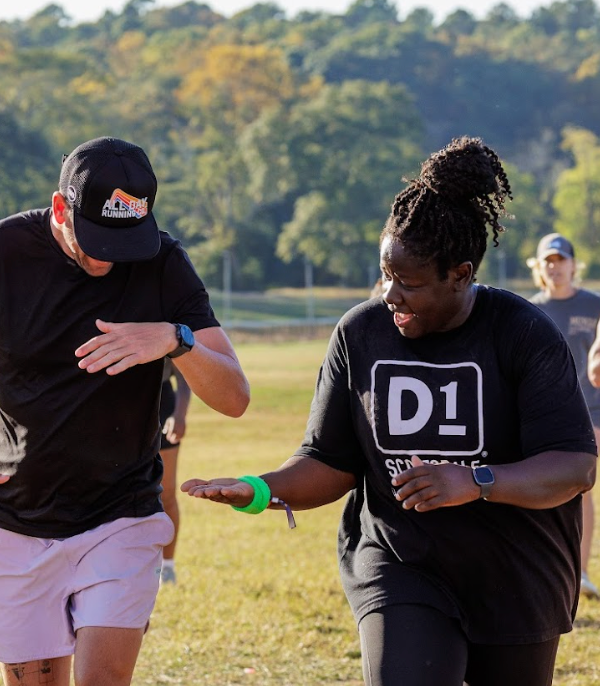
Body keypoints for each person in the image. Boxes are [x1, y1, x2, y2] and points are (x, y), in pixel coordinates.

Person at [182, 137, 597, 686]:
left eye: (410, 282)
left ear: (461, 273)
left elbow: (574, 466)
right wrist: (260, 489)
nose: (392, 295)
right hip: (402, 563)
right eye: (385, 276)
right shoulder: (362, 332)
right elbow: (331, 460)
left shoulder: (522, 333)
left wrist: (476, 480)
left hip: (517, 572)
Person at [0, 136, 250, 686]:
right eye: (96, 239)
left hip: (121, 517)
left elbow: (235, 396)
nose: (109, 257)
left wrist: (176, 340)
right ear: (60, 208)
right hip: (15, 522)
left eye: (125, 240)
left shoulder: (163, 262)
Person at [528, 233, 600, 600]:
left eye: (561, 260)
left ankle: (582, 573)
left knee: (580, 487)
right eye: (548, 261)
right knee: (545, 490)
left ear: (575, 265)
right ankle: (553, 571)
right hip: (546, 413)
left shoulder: (594, 305)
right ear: (539, 268)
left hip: (591, 411)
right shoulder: (529, 309)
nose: (555, 267)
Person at [158, 358, 192, 585]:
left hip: (161, 403)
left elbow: (183, 376)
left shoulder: (162, 321)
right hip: (115, 404)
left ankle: (167, 567)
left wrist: (179, 414)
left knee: (166, 493)